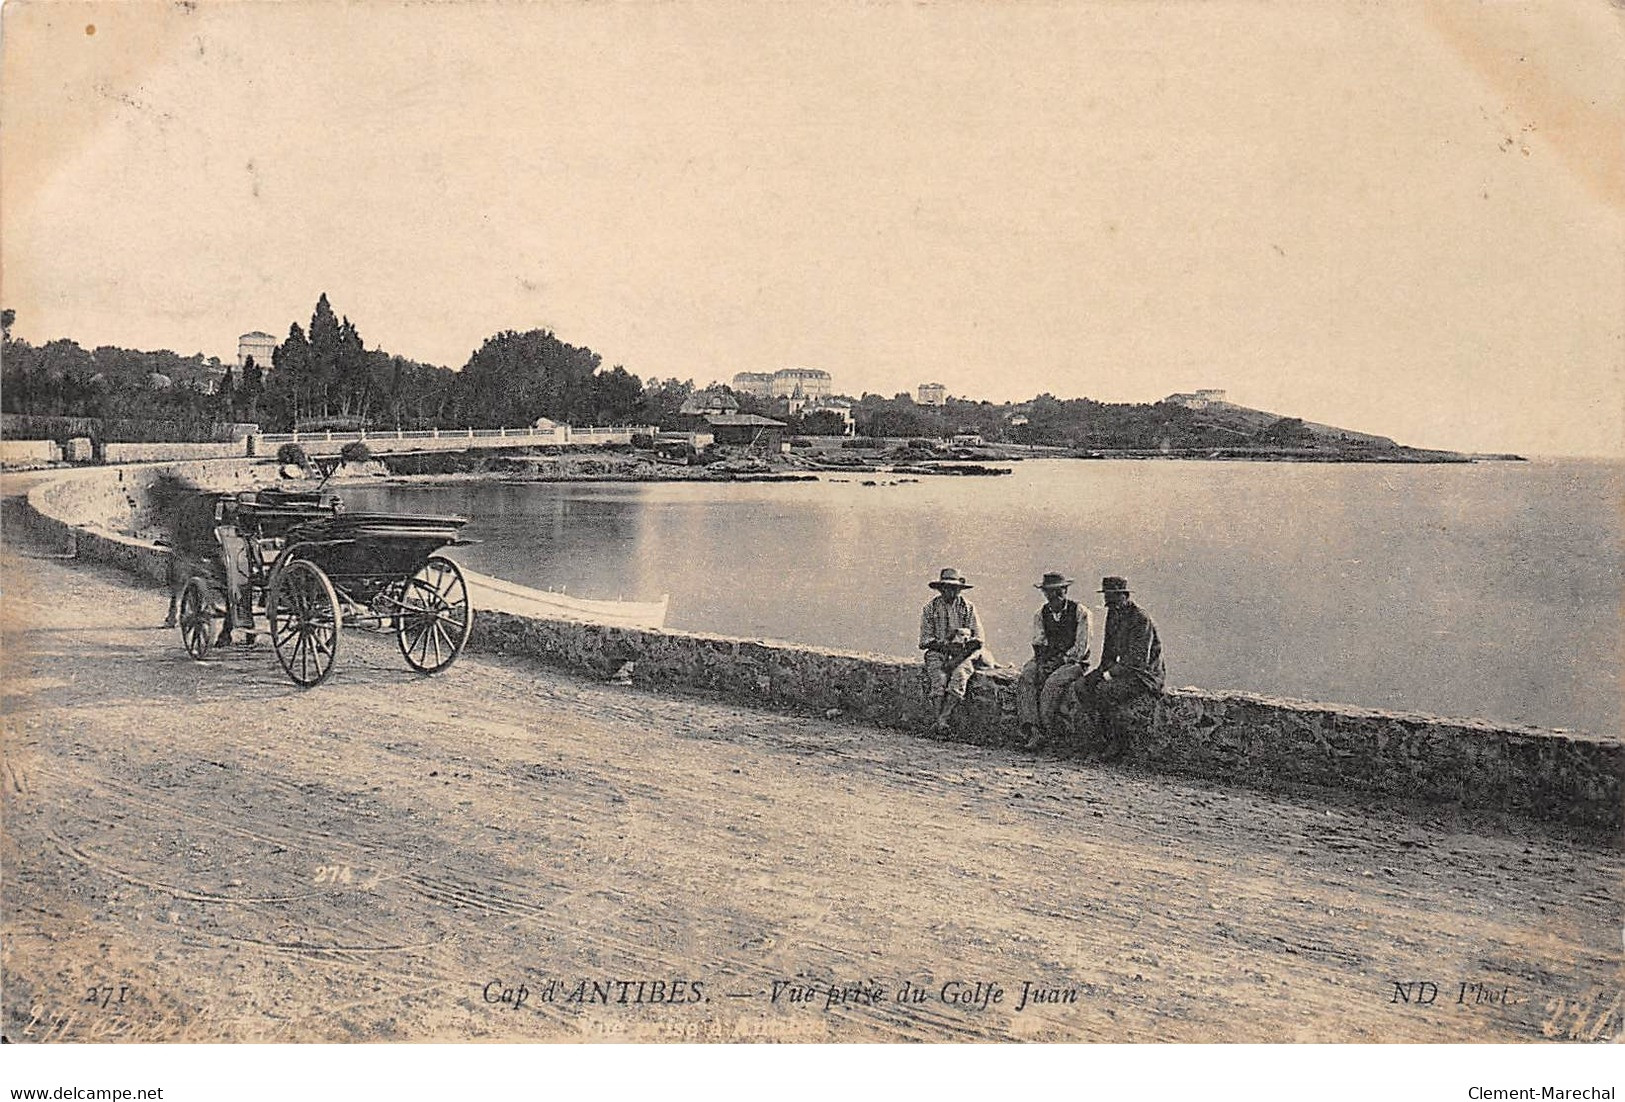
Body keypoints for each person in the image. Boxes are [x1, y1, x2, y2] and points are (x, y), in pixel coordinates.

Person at [1067, 576, 1164, 759]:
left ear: (1125, 596)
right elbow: (1109, 652)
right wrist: (1098, 672)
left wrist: (1107, 675)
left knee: (1106, 690)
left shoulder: (1140, 618)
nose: (1109, 603)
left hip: (1144, 675)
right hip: (1123, 670)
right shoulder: (1113, 614)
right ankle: (1099, 737)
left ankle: (1117, 743)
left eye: (1113, 597)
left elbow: (1137, 661)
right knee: (1082, 686)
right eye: (1107, 598)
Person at [1017, 572, 1091, 751]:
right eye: (1049, 592)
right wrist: (1042, 663)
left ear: (1065, 591)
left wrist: (1057, 662)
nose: (1054, 596)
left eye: (1058, 591)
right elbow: (1039, 642)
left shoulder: (1081, 612)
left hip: (1074, 662)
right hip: (1047, 658)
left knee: (1052, 683)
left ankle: (1048, 730)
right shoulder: (1041, 614)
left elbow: (1081, 647)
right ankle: (1033, 730)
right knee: (1027, 676)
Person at [918, 567, 990, 735]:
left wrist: (957, 659)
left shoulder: (968, 607)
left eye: (954, 588)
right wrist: (945, 647)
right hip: (940, 650)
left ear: (959, 589)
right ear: (940, 588)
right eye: (946, 587)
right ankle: (939, 720)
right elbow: (925, 640)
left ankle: (943, 717)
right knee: (938, 676)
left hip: (965, 652)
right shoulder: (931, 608)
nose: (950, 591)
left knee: (960, 675)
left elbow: (978, 640)